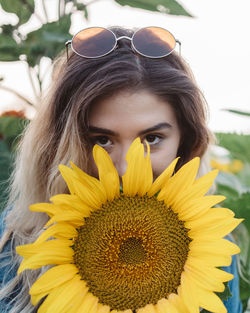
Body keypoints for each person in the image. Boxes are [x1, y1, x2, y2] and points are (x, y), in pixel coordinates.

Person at [0, 26, 242, 313]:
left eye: (152, 139)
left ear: (186, 142)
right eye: (101, 140)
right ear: (59, 145)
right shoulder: (10, 247)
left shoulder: (211, 248)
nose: (127, 168)